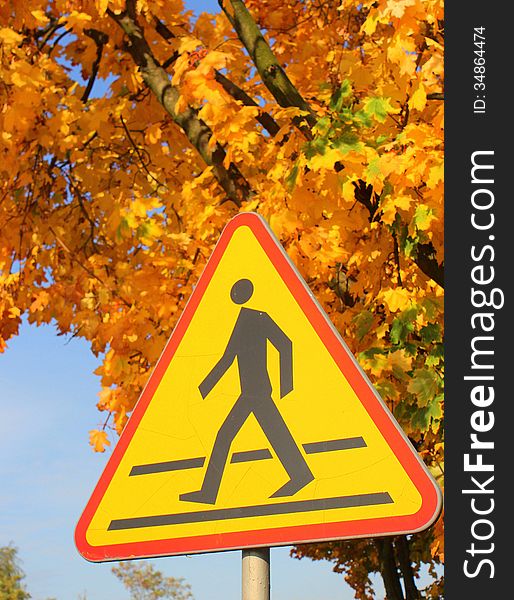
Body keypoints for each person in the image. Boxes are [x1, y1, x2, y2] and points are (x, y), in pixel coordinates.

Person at [180, 278, 313, 505]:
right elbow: (228, 359)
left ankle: (209, 492)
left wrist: (286, 386)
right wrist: (202, 389)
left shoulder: (256, 318)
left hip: (258, 391)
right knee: (268, 434)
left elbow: (285, 343)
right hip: (250, 392)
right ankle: (300, 475)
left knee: (229, 435)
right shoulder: (242, 321)